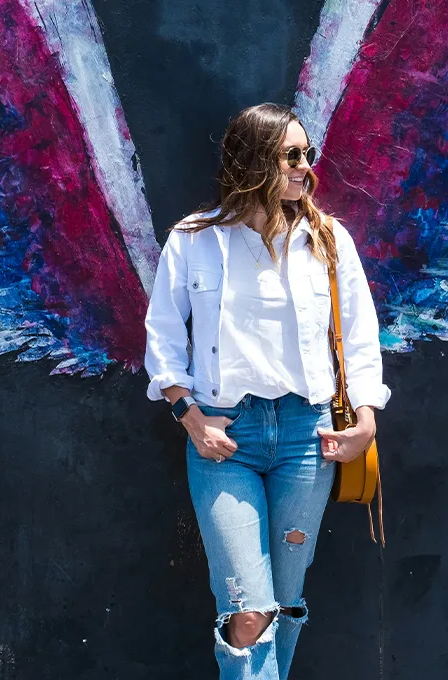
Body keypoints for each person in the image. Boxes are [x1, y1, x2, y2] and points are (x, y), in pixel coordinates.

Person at [144, 103, 391, 679]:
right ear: (253, 160)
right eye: (291, 156)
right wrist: (190, 416)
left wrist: (367, 418)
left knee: (284, 601)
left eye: (308, 154)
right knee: (249, 611)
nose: (306, 167)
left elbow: (359, 335)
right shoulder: (194, 240)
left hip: (309, 437)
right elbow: (161, 337)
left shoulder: (328, 240)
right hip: (226, 438)